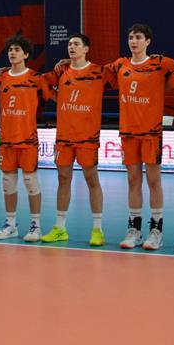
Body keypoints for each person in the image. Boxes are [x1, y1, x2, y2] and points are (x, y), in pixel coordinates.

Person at [104, 24, 174, 250]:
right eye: (130, 37)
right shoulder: (120, 65)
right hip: (128, 133)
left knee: (154, 181)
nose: (133, 41)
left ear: (148, 41)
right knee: (133, 180)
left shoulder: (160, 63)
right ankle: (134, 230)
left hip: (151, 134)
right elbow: (91, 71)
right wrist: (68, 62)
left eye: (138, 37)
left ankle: (156, 231)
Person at [40, 34, 108, 246]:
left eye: (76, 44)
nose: (72, 47)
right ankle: (60, 228)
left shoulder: (98, 72)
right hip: (64, 137)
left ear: (86, 49)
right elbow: (41, 81)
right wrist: (57, 97)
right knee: (63, 179)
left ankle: (97, 229)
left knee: (91, 179)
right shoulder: (61, 71)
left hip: (87, 137)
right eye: (69, 44)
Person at [0, 35, 48, 243]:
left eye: (16, 50)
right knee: (8, 183)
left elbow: (51, 96)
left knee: (30, 182)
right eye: (10, 50)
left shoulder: (36, 78)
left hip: (27, 139)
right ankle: (10, 224)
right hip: (6, 140)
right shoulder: (1, 77)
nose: (12, 53)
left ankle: (36, 226)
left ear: (26, 54)